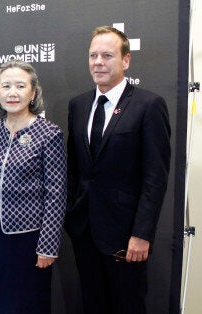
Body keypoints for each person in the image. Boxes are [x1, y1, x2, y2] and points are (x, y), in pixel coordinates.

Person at [66, 26, 171, 314]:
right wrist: (72, 214)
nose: (98, 62)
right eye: (93, 55)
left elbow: (155, 177)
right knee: (93, 304)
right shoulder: (79, 104)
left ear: (126, 61)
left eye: (107, 55)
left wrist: (142, 233)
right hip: (85, 231)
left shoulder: (149, 105)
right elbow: (74, 167)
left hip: (126, 236)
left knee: (128, 305)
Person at [0, 60, 67, 314]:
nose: (13, 93)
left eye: (20, 86)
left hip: (30, 240)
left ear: (33, 93)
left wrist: (48, 245)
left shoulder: (49, 133)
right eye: (6, 86)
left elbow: (56, 194)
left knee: (29, 304)